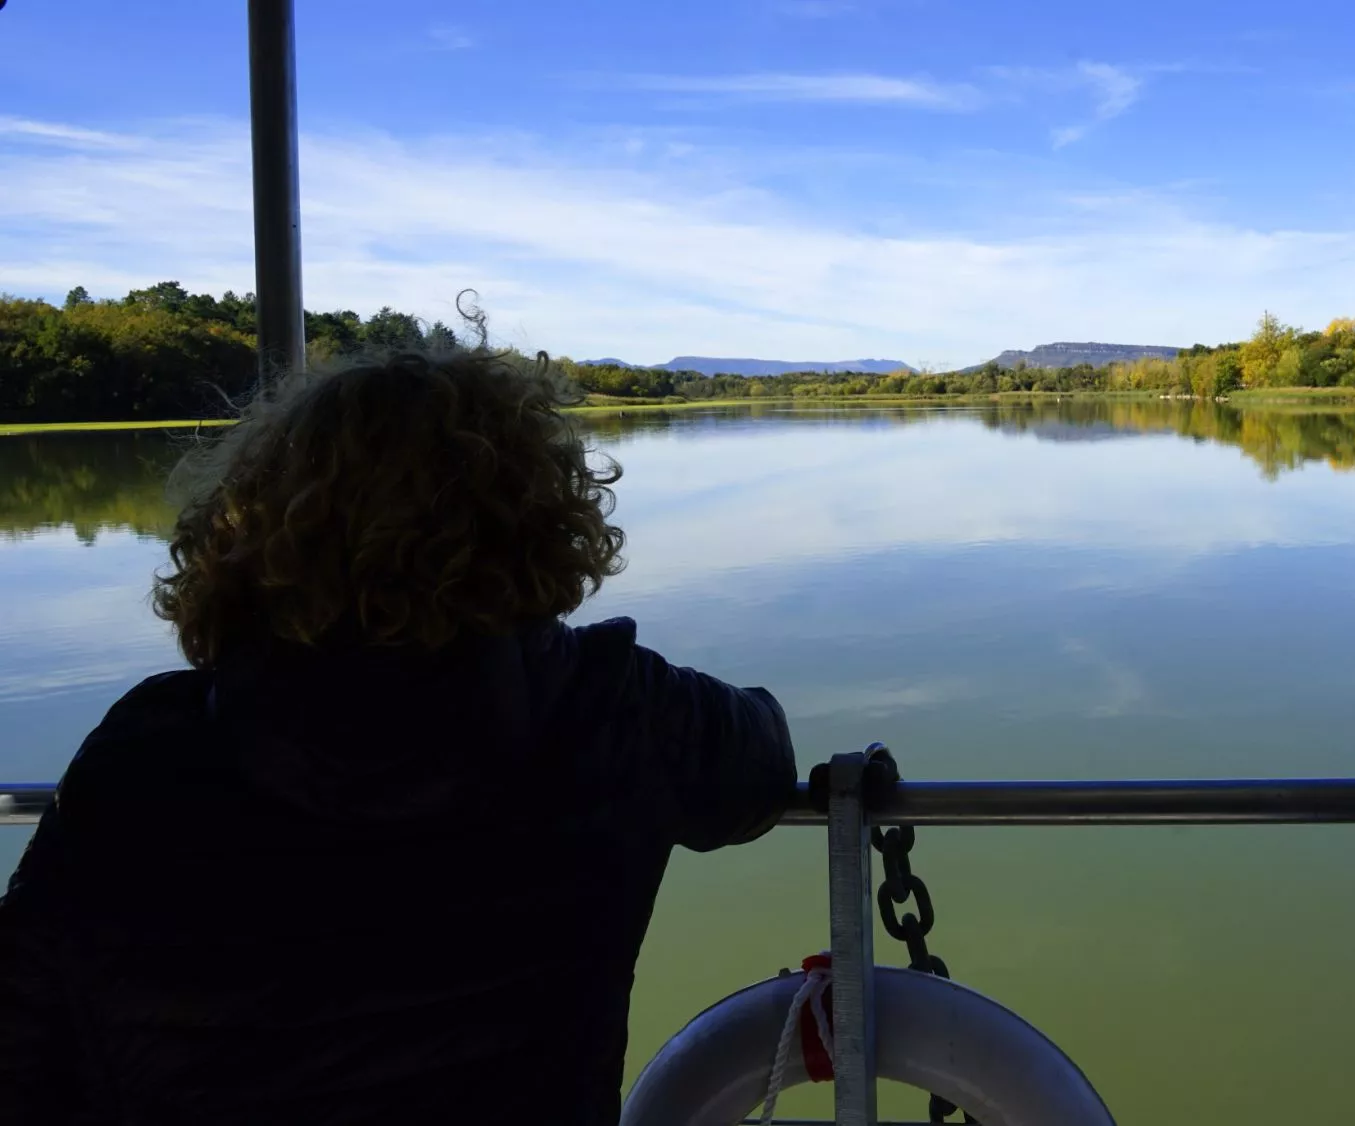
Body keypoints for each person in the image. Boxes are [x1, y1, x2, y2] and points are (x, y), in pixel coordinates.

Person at [0, 351, 798, 1125]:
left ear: (250, 526)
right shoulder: (613, 706)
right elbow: (762, 761)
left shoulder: (144, 753)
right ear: (538, 519)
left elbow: (27, 1035)